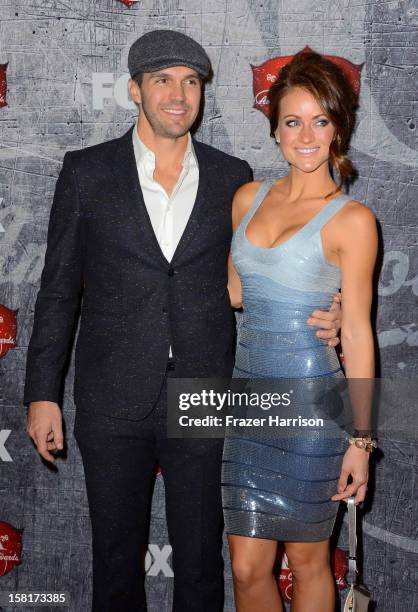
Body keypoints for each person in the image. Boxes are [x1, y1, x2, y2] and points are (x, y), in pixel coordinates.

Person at [24, 31, 342, 612]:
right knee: (114, 563)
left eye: (191, 81)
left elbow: (255, 275)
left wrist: (327, 300)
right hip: (112, 394)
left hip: (205, 393)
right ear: (134, 90)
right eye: (163, 80)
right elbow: (57, 290)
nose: (178, 94)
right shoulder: (86, 171)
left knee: (201, 563)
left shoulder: (233, 177)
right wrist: (42, 393)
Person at [222, 49, 378, 612]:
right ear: (275, 127)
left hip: (314, 409)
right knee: (245, 567)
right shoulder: (247, 198)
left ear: (338, 128)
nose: (305, 135)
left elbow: (358, 333)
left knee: (309, 561)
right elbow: (237, 292)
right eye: (292, 120)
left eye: (320, 120)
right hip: (249, 404)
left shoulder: (353, 220)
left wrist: (360, 440)